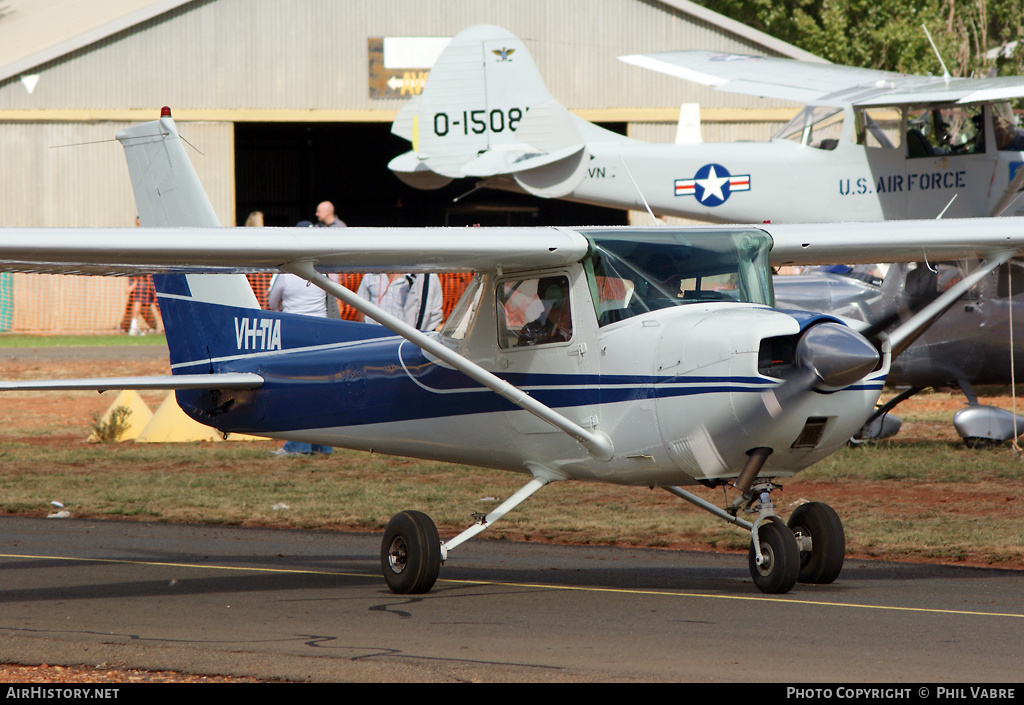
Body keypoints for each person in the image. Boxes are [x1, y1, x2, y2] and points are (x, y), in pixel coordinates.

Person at [267, 222, 334, 457]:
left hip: (294, 334)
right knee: (320, 389)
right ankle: (323, 444)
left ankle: (298, 445)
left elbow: (272, 302)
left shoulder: (286, 274)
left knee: (296, 389)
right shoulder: (325, 269)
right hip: (323, 333)